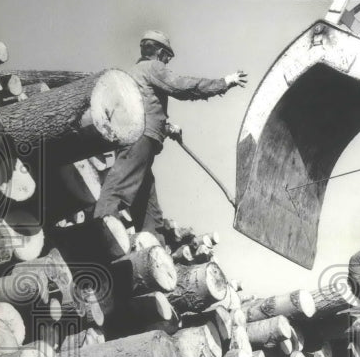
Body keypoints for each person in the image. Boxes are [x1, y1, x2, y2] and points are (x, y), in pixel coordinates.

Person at [94, 29, 247, 236]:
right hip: (141, 138)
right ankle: (100, 229)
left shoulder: (134, 73)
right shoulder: (153, 67)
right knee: (120, 184)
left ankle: (152, 245)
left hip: (140, 137)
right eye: (167, 57)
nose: (167, 62)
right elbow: (181, 87)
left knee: (148, 205)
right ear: (158, 52)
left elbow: (145, 107)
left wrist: (167, 127)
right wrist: (224, 82)